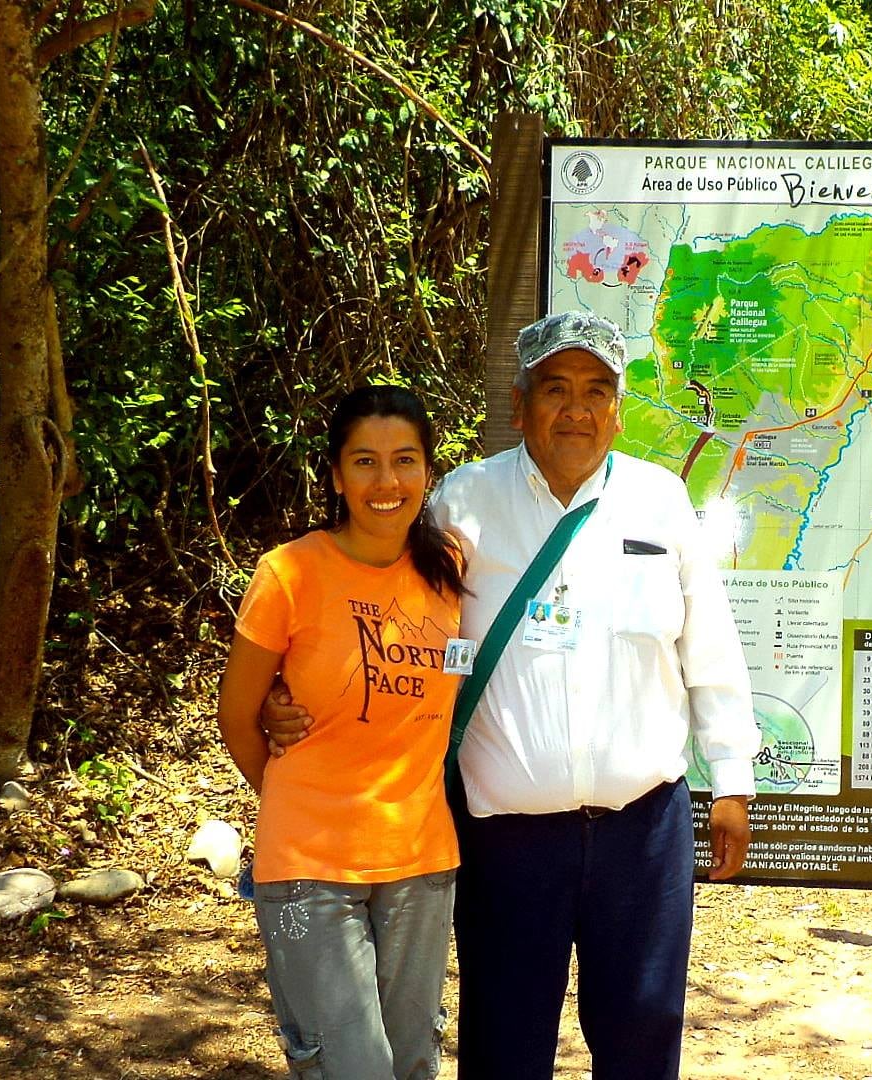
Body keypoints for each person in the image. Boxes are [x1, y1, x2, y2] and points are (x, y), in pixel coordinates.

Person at [263, 310, 761, 1079]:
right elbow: (373, 610)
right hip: (508, 839)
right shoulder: (460, 504)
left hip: (645, 829)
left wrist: (732, 780)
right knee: (503, 1040)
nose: (577, 409)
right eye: (555, 389)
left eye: (597, 390)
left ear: (618, 409)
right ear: (520, 406)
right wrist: (285, 696)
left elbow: (710, 648)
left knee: (643, 1034)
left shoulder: (661, 504)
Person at [216, 384, 468, 1080]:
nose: (386, 482)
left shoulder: (451, 569)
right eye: (364, 462)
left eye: (405, 460)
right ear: (334, 475)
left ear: (428, 471)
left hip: (421, 860)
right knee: (349, 1068)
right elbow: (236, 715)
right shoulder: (290, 574)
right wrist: (298, 799)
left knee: (414, 1061)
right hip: (308, 870)